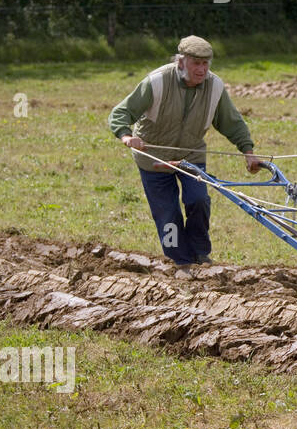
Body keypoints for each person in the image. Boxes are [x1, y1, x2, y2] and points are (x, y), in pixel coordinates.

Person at [108, 35, 263, 269]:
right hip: (153, 158)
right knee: (167, 214)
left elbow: (232, 122)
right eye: (196, 63)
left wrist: (248, 152)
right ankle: (180, 260)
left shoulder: (215, 87)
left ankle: (201, 254)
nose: (202, 70)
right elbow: (122, 112)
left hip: (191, 155)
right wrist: (126, 136)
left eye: (205, 64)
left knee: (199, 200)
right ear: (181, 62)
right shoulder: (157, 82)